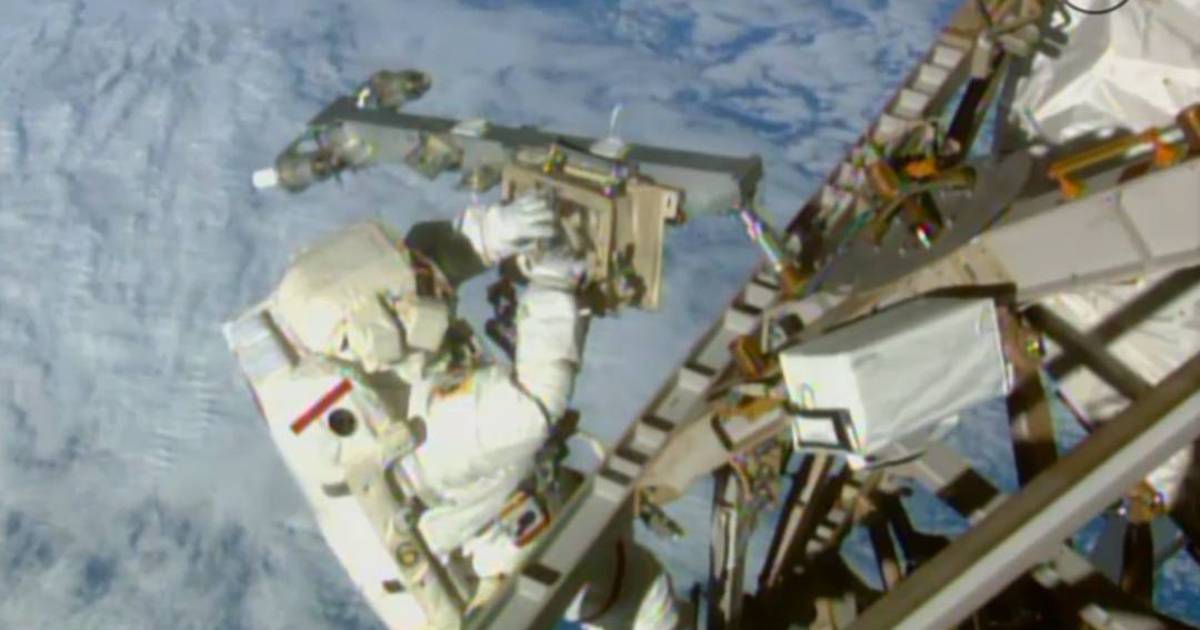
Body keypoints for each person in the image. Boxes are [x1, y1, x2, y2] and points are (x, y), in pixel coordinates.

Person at [267, 192, 682, 629]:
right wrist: (553, 287)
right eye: (416, 288)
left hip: (480, 511)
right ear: (383, 332)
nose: (432, 279)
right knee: (641, 593)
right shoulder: (424, 435)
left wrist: (492, 233)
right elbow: (533, 406)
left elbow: (418, 266)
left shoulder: (330, 343)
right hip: (484, 567)